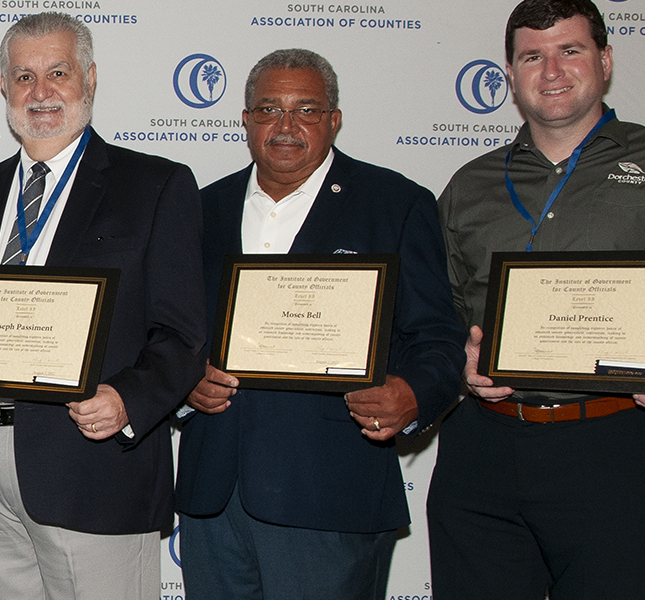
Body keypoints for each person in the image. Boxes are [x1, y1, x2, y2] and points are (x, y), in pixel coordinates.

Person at [431, 1, 645, 598]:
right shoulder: (470, 184)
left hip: (611, 445)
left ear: (605, 60)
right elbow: (441, 306)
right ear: (510, 73)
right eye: (532, 56)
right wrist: (457, 359)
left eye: (571, 50)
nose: (552, 71)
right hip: (481, 447)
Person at [0, 12, 208, 599]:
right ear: (3, 86)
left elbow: (183, 333)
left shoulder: (156, 185)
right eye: (23, 76)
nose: (41, 92)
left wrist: (130, 398)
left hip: (92, 458)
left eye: (58, 72)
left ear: (91, 78)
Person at [172, 48, 465, 600]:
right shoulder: (200, 209)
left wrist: (413, 393)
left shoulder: (396, 204)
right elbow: (170, 331)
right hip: (213, 494)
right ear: (245, 121)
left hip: (331, 491)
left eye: (305, 110)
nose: (285, 126)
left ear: (333, 120)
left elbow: (437, 338)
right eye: (268, 110)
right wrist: (182, 381)